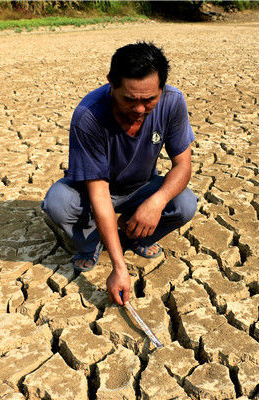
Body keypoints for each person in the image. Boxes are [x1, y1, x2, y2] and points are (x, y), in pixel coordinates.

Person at [41, 42, 197, 305]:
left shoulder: (173, 102)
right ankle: (91, 244)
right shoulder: (89, 115)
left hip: (141, 187)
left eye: (149, 100)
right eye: (130, 99)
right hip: (93, 192)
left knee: (185, 203)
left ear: (162, 89)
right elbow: (99, 193)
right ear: (111, 83)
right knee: (58, 202)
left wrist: (155, 203)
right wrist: (119, 267)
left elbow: (183, 165)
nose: (139, 109)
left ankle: (137, 235)